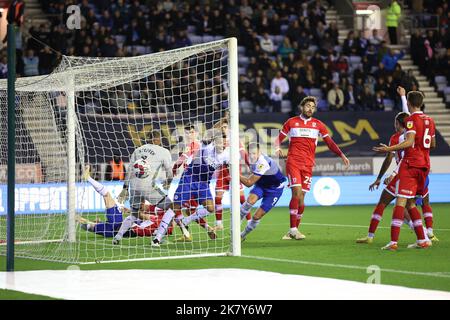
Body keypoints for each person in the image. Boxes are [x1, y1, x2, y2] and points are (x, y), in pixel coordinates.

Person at [275, 96, 350, 240]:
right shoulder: (291, 122)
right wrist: (278, 147)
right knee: (296, 193)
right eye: (308, 106)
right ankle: (293, 229)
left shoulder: (318, 125)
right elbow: (278, 139)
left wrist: (342, 155)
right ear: (302, 107)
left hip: (308, 164)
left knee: (302, 198)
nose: (310, 109)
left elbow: (330, 142)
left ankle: (293, 231)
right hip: (293, 162)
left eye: (313, 107)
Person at [356, 110, 436, 244]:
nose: (394, 125)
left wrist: (389, 175)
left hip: (404, 174)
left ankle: (379, 238)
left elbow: (395, 159)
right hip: (420, 171)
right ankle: (425, 236)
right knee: (411, 205)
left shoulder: (398, 138)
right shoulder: (416, 136)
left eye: (395, 123)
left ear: (399, 124)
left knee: (386, 203)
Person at [373, 90, 436, 250]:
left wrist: (389, 148)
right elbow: (433, 144)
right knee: (411, 203)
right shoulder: (430, 120)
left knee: (400, 202)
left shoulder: (410, 120)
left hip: (411, 164)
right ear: (421, 103)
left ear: (408, 103)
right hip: (425, 166)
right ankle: (422, 239)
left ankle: (393, 242)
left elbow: (408, 142)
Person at [152, 129, 228, 246]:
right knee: (176, 207)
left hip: (203, 183)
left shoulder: (226, 155)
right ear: (214, 142)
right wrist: (171, 176)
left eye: (223, 142)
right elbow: (180, 161)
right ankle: (157, 237)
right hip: (189, 179)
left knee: (209, 208)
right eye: (218, 141)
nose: (221, 144)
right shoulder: (204, 146)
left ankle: (186, 222)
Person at [113, 131, 175, 245]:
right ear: (158, 139)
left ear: (147, 140)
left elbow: (130, 170)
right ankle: (158, 238)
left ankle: (118, 236)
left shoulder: (138, 150)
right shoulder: (164, 151)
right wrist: (168, 182)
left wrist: (125, 188)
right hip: (148, 186)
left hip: (134, 186)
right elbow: (170, 173)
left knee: (134, 214)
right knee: (172, 207)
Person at [77, 165, 173, 238]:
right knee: (95, 227)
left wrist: (133, 211)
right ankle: (82, 222)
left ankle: (88, 178)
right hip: (125, 231)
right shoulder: (163, 219)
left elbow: (142, 215)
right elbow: (144, 211)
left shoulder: (159, 217)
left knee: (107, 195)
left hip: (127, 229)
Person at [239, 143, 287, 241]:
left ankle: (242, 235)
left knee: (257, 216)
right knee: (250, 201)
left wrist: (234, 173)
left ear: (259, 152)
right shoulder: (249, 158)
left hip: (275, 189)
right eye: (250, 154)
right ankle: (235, 226)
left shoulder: (263, 162)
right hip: (261, 185)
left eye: (254, 153)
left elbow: (249, 183)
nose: (252, 156)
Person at [213, 117, 251, 231]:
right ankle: (219, 223)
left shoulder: (234, 139)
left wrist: (250, 165)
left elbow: (243, 153)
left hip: (234, 169)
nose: (224, 129)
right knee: (218, 197)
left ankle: (249, 221)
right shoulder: (218, 139)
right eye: (222, 127)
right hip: (222, 170)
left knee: (241, 199)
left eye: (225, 127)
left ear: (229, 128)